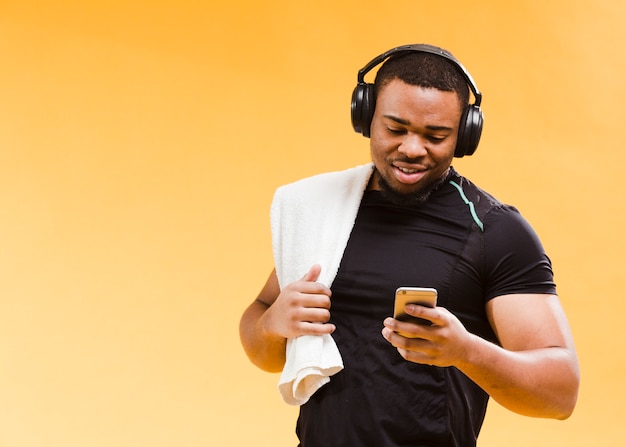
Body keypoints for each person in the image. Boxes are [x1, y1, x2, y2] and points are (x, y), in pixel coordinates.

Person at [239, 44, 580, 447]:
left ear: (465, 136)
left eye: (435, 136)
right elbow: (264, 349)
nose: (412, 149)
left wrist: (466, 351)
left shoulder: (495, 230)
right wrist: (272, 323)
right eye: (396, 129)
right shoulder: (322, 214)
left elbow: (560, 393)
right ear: (366, 118)